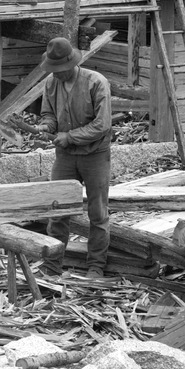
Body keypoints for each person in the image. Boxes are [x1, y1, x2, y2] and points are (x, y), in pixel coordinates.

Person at [33, 36, 113, 278]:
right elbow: (48, 114)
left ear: (71, 64)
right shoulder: (51, 82)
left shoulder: (96, 83)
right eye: (52, 69)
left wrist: (70, 136)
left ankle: (96, 265)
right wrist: (46, 127)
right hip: (66, 156)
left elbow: (102, 125)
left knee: (97, 213)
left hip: (95, 155)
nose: (56, 73)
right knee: (58, 209)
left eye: (60, 70)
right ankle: (52, 265)